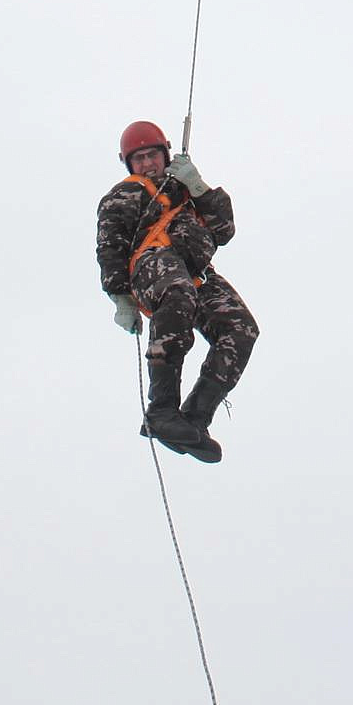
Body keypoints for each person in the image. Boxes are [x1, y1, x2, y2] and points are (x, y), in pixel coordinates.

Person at [96, 120, 258, 463]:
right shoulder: (123, 195)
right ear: (129, 164)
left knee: (240, 329)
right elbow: (109, 247)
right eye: (138, 159)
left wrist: (197, 186)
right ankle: (161, 410)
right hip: (152, 264)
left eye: (152, 155)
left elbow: (224, 231)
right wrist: (120, 297)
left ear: (165, 155)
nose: (147, 164)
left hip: (196, 273)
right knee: (177, 292)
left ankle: (194, 419)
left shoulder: (184, 190)